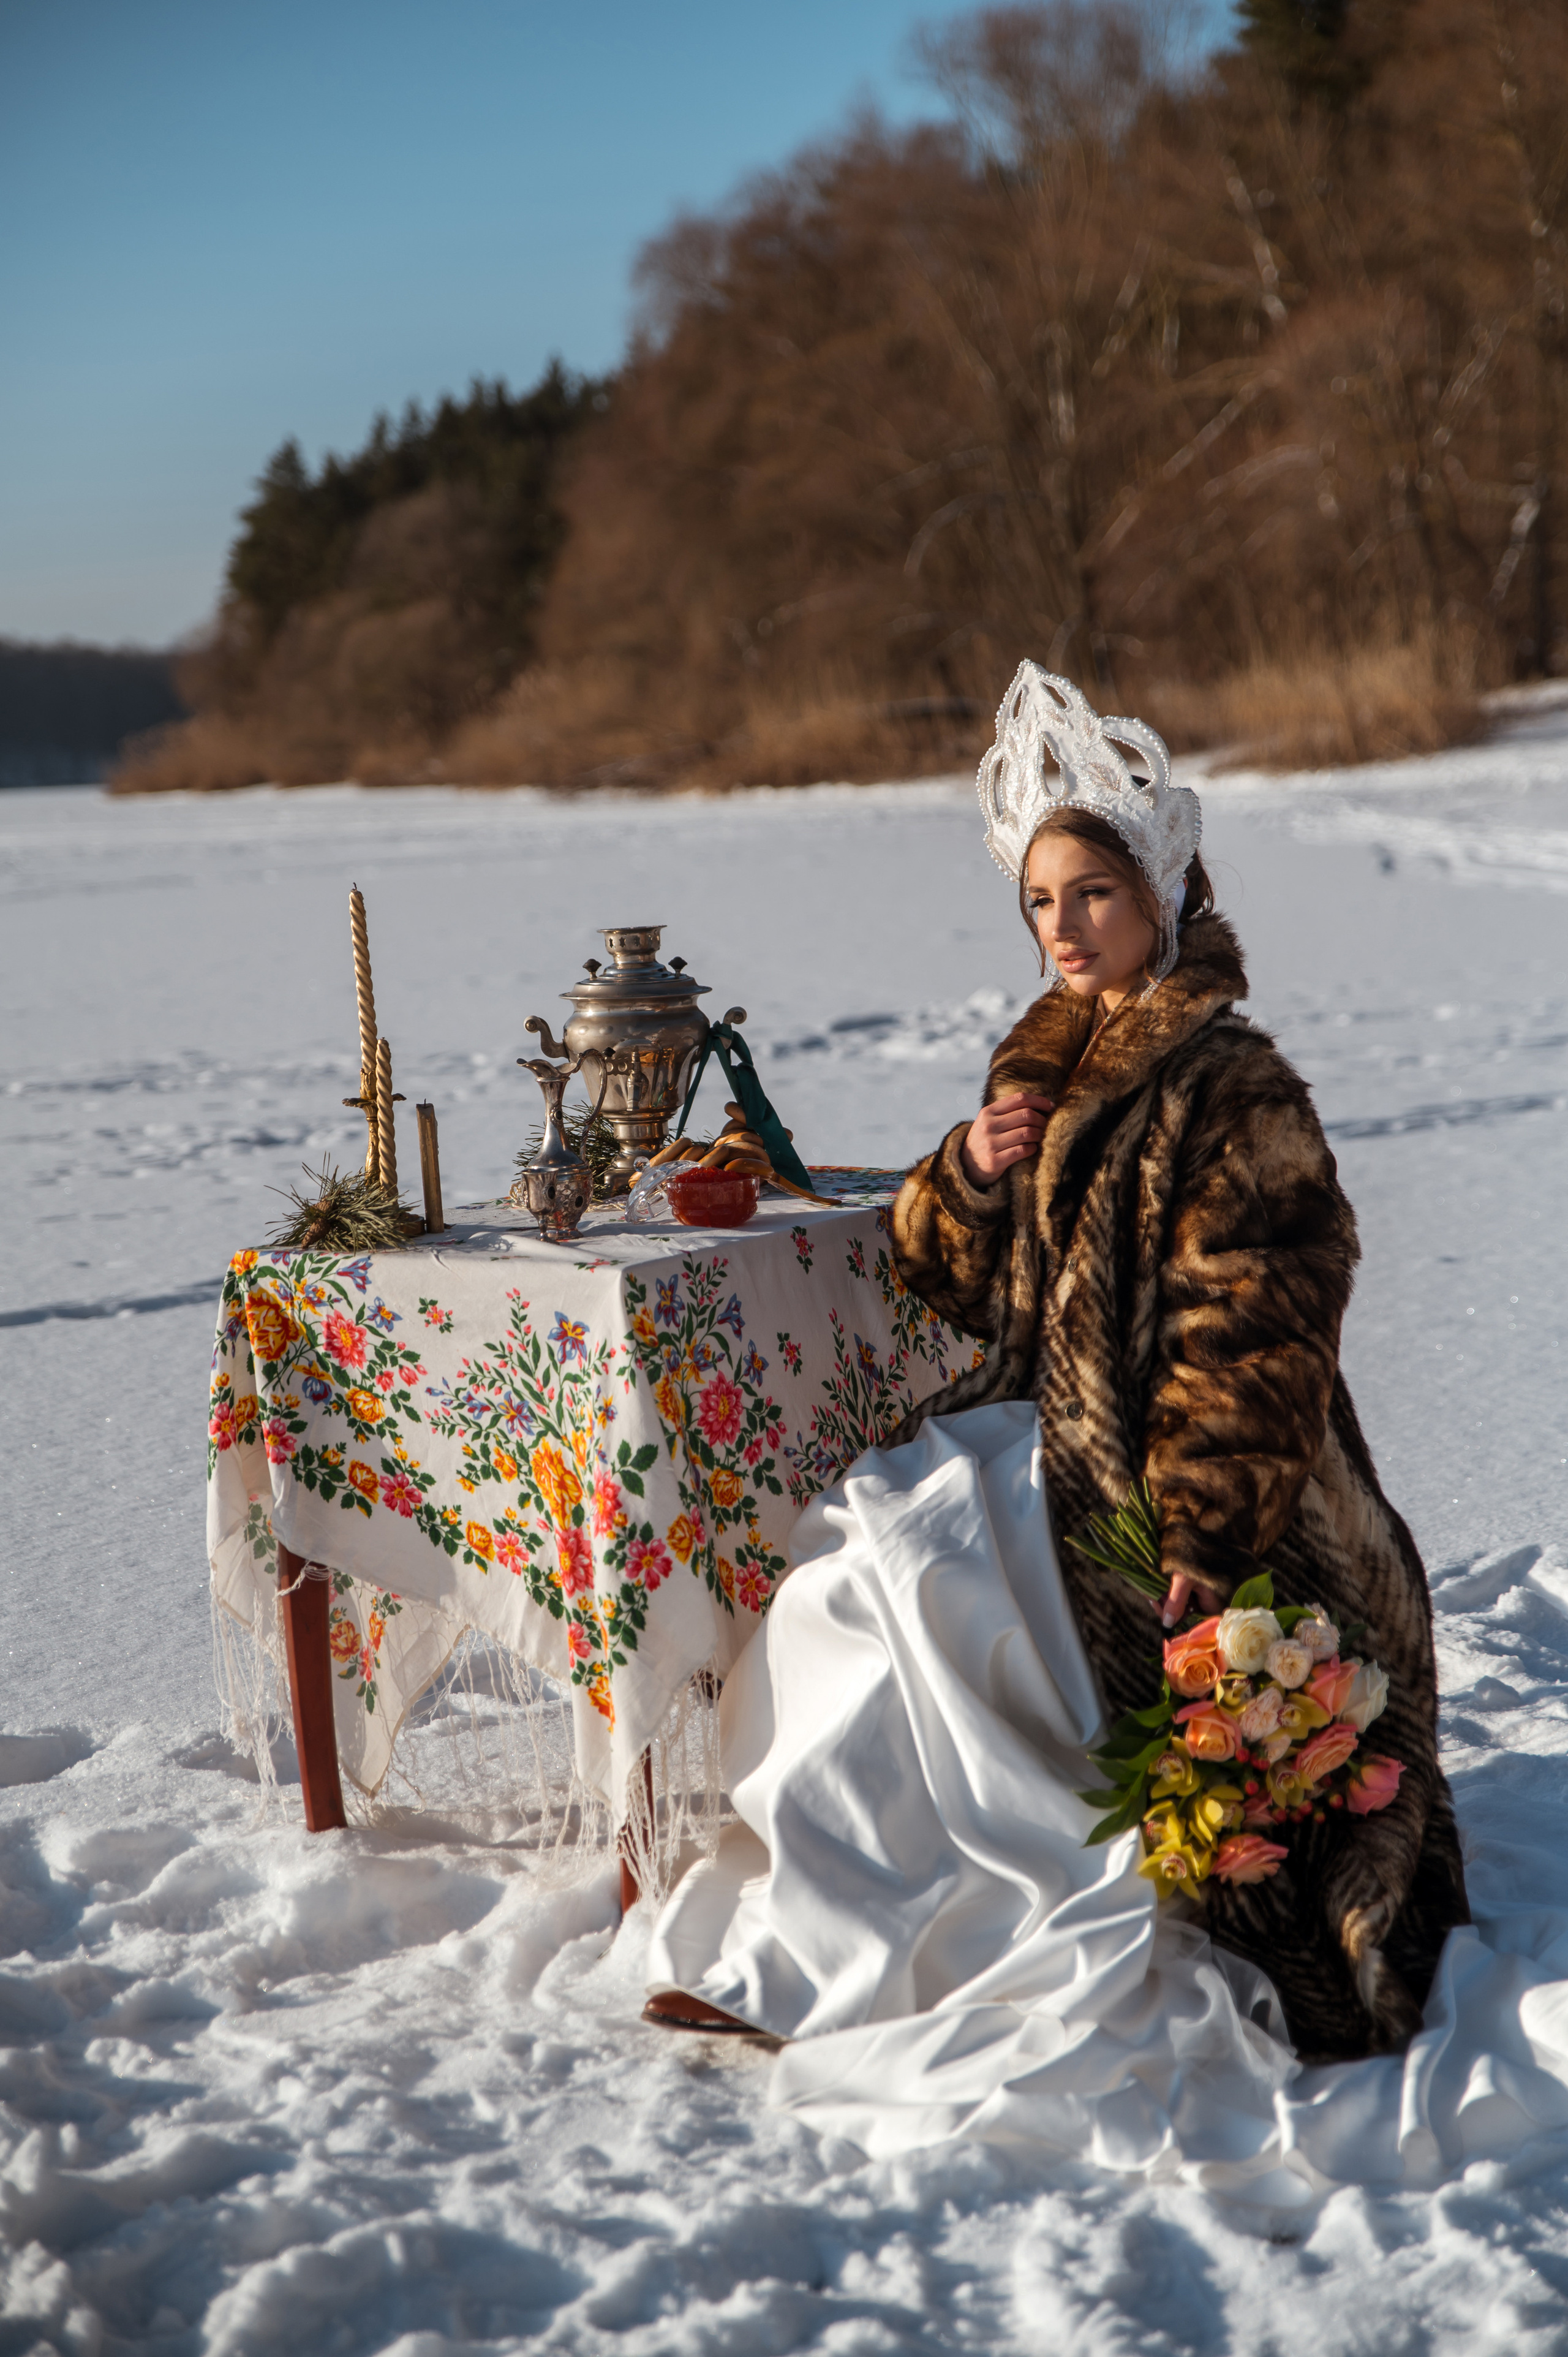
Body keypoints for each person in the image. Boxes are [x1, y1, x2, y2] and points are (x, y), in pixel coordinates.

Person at [643, 665, 1478, 2165]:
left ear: (1160, 894)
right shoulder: (1040, 1059)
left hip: (1201, 1470)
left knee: (927, 1567)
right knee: (861, 1547)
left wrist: (1210, 1530)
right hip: (1049, 1426)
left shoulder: (1236, 1085)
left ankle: (958, 1934)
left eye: (1092, 892)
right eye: (1040, 902)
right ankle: (826, 1952)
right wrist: (966, 1167)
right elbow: (950, 1282)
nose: (1064, 927)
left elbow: (1263, 1324)